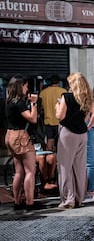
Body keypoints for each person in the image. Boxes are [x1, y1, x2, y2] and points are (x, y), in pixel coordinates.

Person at [55, 72, 94, 208]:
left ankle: (68, 199)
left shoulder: (66, 97)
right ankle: (79, 198)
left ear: (73, 84)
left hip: (67, 133)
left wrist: (57, 107)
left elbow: (60, 116)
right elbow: (86, 118)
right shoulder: (87, 99)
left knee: (65, 167)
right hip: (82, 134)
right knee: (79, 167)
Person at [5, 75, 38, 211]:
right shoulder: (18, 103)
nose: (27, 88)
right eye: (25, 86)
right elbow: (33, 119)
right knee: (30, 171)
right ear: (20, 86)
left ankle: (17, 202)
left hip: (10, 136)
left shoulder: (8, 101)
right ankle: (30, 203)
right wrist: (34, 103)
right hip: (20, 137)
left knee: (19, 171)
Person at [38, 75, 66, 189]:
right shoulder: (63, 91)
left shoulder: (43, 93)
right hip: (60, 122)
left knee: (49, 144)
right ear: (58, 82)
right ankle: (59, 165)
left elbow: (41, 108)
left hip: (48, 122)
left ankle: (49, 165)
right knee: (61, 144)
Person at [84, 101, 94, 202]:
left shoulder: (86, 98)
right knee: (89, 162)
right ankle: (90, 190)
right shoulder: (86, 98)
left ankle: (91, 190)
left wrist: (88, 127)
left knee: (89, 162)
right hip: (88, 131)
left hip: (87, 132)